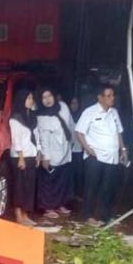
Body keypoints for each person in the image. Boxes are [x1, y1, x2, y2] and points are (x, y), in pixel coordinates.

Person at [75, 84, 128, 226]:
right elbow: (79, 132)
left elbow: (118, 132)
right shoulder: (90, 112)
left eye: (113, 95)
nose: (112, 98)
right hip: (95, 157)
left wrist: (123, 149)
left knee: (108, 188)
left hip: (112, 157)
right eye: (109, 95)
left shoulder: (114, 113)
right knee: (91, 187)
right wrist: (87, 149)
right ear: (100, 98)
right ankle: (89, 216)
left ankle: (105, 216)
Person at [36, 88, 73, 218]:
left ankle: (60, 204)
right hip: (51, 153)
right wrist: (46, 157)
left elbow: (70, 124)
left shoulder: (63, 106)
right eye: (43, 97)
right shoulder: (41, 116)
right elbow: (43, 138)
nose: (47, 100)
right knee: (49, 182)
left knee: (63, 180)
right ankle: (48, 207)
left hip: (65, 150)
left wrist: (72, 143)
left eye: (49, 95)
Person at [9, 89, 40, 226]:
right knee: (19, 186)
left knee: (29, 186)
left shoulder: (32, 116)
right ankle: (18, 216)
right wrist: (21, 157)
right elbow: (16, 139)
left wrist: (38, 153)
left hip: (31, 154)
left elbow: (37, 136)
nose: (31, 100)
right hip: (19, 156)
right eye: (28, 98)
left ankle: (25, 215)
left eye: (32, 98)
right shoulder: (16, 118)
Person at [69, 96, 84, 200]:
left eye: (76, 103)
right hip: (68, 150)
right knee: (70, 174)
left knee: (79, 173)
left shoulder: (82, 117)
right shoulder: (67, 116)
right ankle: (70, 193)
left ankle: (78, 194)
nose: (75, 105)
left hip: (80, 150)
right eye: (72, 103)